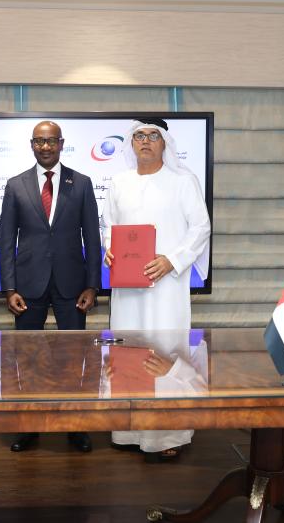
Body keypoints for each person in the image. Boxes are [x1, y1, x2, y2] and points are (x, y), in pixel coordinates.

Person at [100, 118, 211, 462]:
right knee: (128, 349)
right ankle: (129, 430)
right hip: (128, 290)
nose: (145, 141)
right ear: (131, 143)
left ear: (164, 143)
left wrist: (172, 260)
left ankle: (167, 434)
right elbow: (108, 225)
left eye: (152, 136)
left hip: (166, 287)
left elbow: (200, 227)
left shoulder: (183, 181)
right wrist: (108, 247)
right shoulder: (118, 182)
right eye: (139, 136)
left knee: (166, 351)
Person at [0, 120, 101, 453]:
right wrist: (9, 288)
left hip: (72, 284)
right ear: (32, 145)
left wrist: (92, 285)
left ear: (61, 143)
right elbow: (7, 239)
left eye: (51, 141)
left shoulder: (82, 183)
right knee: (25, 359)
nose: (45, 147)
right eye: (39, 142)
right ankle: (29, 427)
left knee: (75, 359)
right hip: (28, 285)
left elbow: (92, 237)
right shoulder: (15, 186)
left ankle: (76, 427)